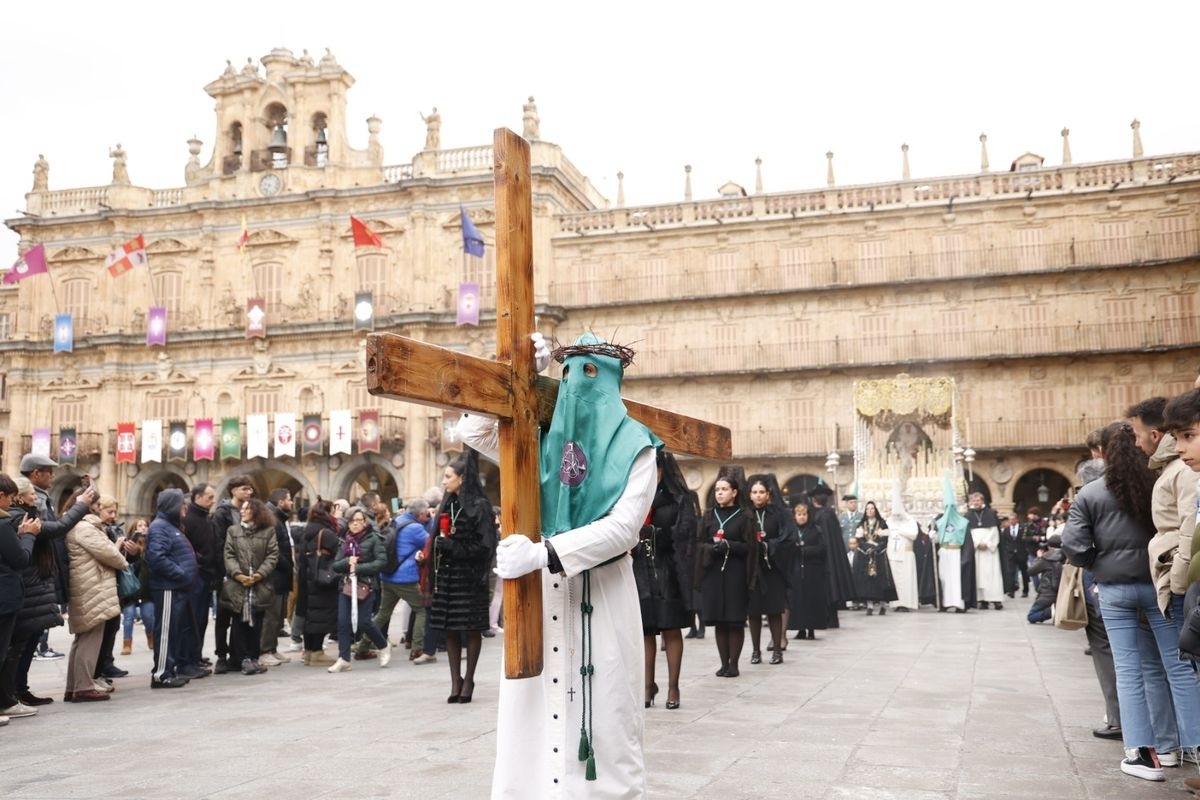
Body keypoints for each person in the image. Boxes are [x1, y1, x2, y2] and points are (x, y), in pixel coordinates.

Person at [459, 331, 659, 797]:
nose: (577, 385)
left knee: (606, 715)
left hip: (604, 596)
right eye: (567, 373)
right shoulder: (540, 434)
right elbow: (473, 430)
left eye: (589, 373)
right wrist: (523, 374)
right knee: (529, 717)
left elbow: (623, 528)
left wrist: (545, 553)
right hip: (540, 601)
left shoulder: (639, 447)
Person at [1061, 421, 1200, 782]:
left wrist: (1100, 565)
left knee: (1131, 669)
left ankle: (1146, 752)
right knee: (1177, 665)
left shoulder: (1090, 493)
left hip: (1115, 590)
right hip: (1159, 585)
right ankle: (1192, 747)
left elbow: (1074, 546)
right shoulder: (1159, 482)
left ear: (1104, 453)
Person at [428, 450, 497, 701]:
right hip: (448, 577)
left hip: (470, 578)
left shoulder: (480, 506)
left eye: (448, 476)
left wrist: (454, 548)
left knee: (470, 630)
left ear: (462, 478)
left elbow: (486, 546)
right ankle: (455, 681)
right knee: (450, 630)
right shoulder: (449, 504)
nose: (444, 481)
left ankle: (469, 681)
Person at [632, 451, 697, 708]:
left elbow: (686, 534)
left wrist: (657, 534)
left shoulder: (678, 499)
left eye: (655, 469)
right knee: (646, 631)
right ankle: (647, 686)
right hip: (641, 569)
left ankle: (673, 687)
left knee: (671, 628)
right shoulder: (637, 497)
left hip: (668, 569)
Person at [63, 491, 128, 702]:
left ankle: (74, 686)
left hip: (89, 586)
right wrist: (121, 557)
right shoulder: (85, 528)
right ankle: (83, 686)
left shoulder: (82, 527)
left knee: (83, 638)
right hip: (92, 587)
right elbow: (111, 554)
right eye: (98, 504)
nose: (100, 508)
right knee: (90, 638)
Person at [697, 469, 756, 678]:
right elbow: (699, 542)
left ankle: (734, 664)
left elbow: (750, 547)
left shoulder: (744, 516)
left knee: (734, 620)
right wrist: (710, 548)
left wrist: (728, 545)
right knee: (719, 621)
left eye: (724, 489)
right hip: (713, 572)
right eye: (717, 489)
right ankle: (723, 663)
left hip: (735, 573)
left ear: (734, 492)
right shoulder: (708, 515)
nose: (719, 493)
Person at [360, 498, 432, 663]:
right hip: (405, 578)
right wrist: (432, 520)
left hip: (387, 575)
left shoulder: (397, 521)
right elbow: (431, 542)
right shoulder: (415, 528)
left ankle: (362, 647)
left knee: (383, 613)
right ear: (421, 514)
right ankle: (417, 649)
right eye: (426, 512)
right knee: (421, 610)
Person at [145, 488, 199, 689]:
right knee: (166, 631)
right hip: (168, 587)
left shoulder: (170, 526)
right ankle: (161, 674)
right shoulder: (160, 527)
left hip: (177, 588)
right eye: (181, 504)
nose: (185, 507)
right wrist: (182, 574)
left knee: (174, 631)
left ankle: (170, 669)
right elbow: (156, 558)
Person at [327, 508, 391, 673]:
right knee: (342, 622)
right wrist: (348, 561)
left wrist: (359, 567)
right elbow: (336, 565)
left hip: (366, 585)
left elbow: (381, 562)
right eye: (352, 521)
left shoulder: (374, 539)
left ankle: (383, 646)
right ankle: (344, 659)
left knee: (365, 622)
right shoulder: (344, 540)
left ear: (365, 522)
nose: (355, 524)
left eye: (359, 520)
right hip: (347, 585)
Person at [0, 473, 41, 727]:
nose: (12, 504)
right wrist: (28, 536)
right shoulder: (2, 525)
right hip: (4, 597)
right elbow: (21, 560)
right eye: (10, 498)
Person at [220, 498, 278, 675]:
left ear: (256, 511)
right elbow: (228, 554)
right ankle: (242, 658)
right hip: (238, 585)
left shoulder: (268, 531)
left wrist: (260, 574)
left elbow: (272, 555)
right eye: (241, 509)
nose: (242, 511)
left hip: (259, 585)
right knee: (239, 622)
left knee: (257, 622)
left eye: (246, 509)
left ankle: (253, 657)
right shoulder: (233, 530)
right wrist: (238, 574)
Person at [745, 474, 793, 664]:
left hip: (773, 568)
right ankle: (756, 651)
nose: (758, 496)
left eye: (761, 492)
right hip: (753, 570)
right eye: (755, 492)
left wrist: (768, 545)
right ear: (749, 495)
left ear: (768, 494)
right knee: (754, 611)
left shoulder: (778, 514)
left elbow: (787, 538)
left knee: (774, 610)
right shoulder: (746, 514)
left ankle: (777, 650)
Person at [294, 499, 338, 667]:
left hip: (307, 578)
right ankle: (317, 651)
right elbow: (337, 550)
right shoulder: (326, 532)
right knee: (320, 614)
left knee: (309, 615)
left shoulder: (308, 530)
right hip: (322, 578)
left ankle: (310, 651)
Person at [259, 488, 294, 667]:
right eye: (289, 499)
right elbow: (272, 547)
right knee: (271, 615)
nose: (292, 503)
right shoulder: (271, 518)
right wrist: (286, 564)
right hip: (274, 575)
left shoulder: (278, 517)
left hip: (281, 574)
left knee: (278, 615)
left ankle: (272, 648)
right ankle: (264, 650)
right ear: (281, 502)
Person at [785, 500, 828, 641]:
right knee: (798, 602)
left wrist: (804, 550)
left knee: (811, 601)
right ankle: (800, 629)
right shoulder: (791, 531)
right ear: (794, 516)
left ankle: (811, 629)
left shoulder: (816, 530)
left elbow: (821, 548)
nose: (802, 517)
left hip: (812, 571)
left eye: (804, 514)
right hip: (796, 571)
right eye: (799, 514)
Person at [851, 501, 896, 615]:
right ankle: (869, 605)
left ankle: (882, 605)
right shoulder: (862, 525)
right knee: (867, 581)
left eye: (872, 509)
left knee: (880, 580)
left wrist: (876, 549)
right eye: (867, 509)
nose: (870, 511)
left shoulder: (882, 524)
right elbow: (860, 540)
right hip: (865, 556)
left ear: (875, 510)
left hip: (879, 555)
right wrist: (867, 549)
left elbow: (885, 540)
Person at [120, 518, 155, 655]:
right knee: (129, 616)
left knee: (148, 616)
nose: (142, 528)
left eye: (145, 525)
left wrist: (141, 551)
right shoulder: (128, 544)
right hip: (130, 588)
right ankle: (127, 644)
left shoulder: (152, 543)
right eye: (139, 525)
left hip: (146, 588)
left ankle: (151, 638)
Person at [967, 493, 1004, 610]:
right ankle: (982, 600)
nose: (976, 502)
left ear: (982, 501)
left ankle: (996, 599)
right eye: (974, 501)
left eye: (978, 500)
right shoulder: (968, 515)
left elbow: (994, 531)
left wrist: (987, 544)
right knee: (979, 575)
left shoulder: (991, 513)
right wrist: (977, 543)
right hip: (977, 550)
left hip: (989, 550)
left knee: (993, 574)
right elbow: (969, 533)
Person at [1026, 537, 1064, 623]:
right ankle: (1057, 609)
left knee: (1031, 616)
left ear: (1050, 547)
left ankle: (1053, 611)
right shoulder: (1067, 556)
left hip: (1047, 593)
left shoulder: (1046, 558)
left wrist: (1039, 558)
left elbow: (1031, 571)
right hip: (1062, 592)